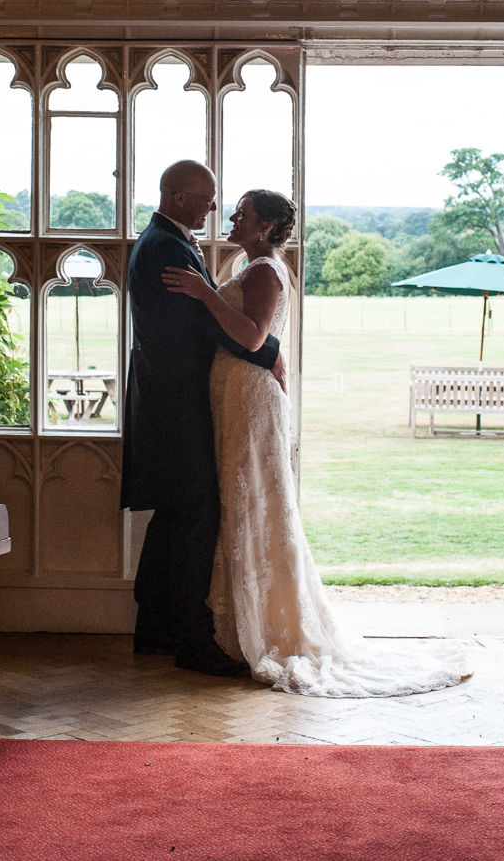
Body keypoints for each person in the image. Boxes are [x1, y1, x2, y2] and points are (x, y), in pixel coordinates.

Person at [164, 189, 470, 697]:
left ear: (264, 227)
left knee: (252, 499)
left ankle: (262, 628)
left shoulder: (263, 270)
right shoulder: (255, 263)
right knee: (242, 498)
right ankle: (241, 621)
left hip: (248, 395)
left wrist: (204, 294)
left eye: (243, 213)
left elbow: (254, 336)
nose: (232, 217)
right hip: (235, 390)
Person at [123, 160, 282, 676]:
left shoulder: (167, 240)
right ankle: (191, 639)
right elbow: (197, 327)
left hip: (176, 399)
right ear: (178, 196)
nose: (215, 210)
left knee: (175, 514)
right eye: (208, 200)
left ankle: (155, 628)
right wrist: (269, 352)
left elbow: (214, 318)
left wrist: (261, 347)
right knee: (194, 516)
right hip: (176, 404)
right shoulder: (166, 247)